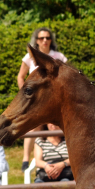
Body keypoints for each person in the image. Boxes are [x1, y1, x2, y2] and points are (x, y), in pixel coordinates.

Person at [17, 28, 68, 172]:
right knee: (33, 127)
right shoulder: (29, 57)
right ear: (37, 40)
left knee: (60, 125)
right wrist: (25, 94)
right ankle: (26, 159)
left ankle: (65, 156)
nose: (44, 40)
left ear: (51, 40)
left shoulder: (58, 56)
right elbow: (20, 76)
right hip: (36, 100)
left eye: (47, 37)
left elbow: (67, 76)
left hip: (54, 99)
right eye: (41, 38)